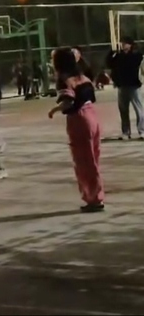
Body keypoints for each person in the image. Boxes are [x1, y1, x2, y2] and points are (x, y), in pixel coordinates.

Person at [49, 48, 104, 212]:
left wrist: (54, 110)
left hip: (79, 119)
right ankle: (96, 195)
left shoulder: (64, 80)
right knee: (93, 159)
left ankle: (93, 198)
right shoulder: (83, 77)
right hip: (92, 116)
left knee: (83, 162)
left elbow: (68, 102)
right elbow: (91, 96)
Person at [106, 36, 144, 140]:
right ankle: (126, 132)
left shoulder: (136, 55)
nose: (123, 45)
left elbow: (139, 65)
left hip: (134, 86)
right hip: (122, 86)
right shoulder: (118, 56)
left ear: (130, 45)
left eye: (125, 43)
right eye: (122, 43)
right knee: (123, 110)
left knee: (139, 110)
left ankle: (142, 130)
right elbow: (109, 64)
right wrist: (111, 52)